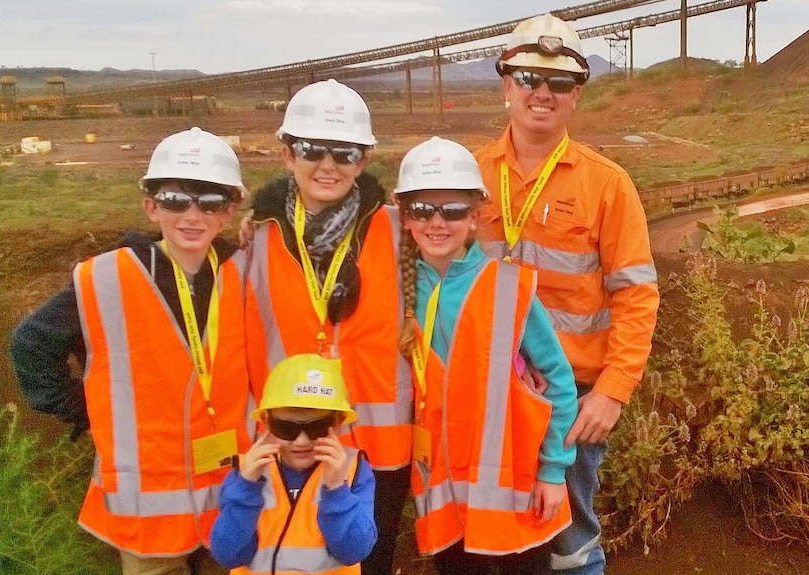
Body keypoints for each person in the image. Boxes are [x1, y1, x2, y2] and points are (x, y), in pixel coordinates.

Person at [10, 126, 254, 575]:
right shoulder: (107, 278)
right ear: (151, 207)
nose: (192, 215)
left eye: (211, 202)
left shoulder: (245, 273)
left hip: (232, 497)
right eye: (176, 200)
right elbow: (31, 345)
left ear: (230, 211)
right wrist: (88, 412)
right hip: (148, 514)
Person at [474, 14, 660, 575]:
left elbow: (636, 294)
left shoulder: (606, 185)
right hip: (485, 391)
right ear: (506, 84)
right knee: (486, 534)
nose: (542, 92)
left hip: (570, 397)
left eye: (558, 82)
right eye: (529, 77)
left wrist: (613, 391)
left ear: (576, 94)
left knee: (568, 538)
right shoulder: (469, 175)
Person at [242, 78, 411, 575]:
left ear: (364, 160)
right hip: (289, 438)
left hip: (378, 446)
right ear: (287, 154)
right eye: (312, 150)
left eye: (345, 152)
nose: (328, 165)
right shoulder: (258, 239)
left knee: (367, 561)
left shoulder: (401, 230)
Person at [395, 136, 578, 575]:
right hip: (445, 498)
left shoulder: (507, 287)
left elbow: (559, 379)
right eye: (423, 209)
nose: (437, 222)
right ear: (405, 218)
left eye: (453, 210)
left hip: (516, 495)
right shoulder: (395, 284)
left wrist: (553, 472)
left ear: (475, 218)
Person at [210, 353, 377, 573]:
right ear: (267, 422)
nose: (301, 441)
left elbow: (354, 551)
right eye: (286, 428)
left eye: (317, 427)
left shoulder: (353, 470)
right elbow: (228, 554)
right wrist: (246, 488)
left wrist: (337, 490)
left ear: (337, 423)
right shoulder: (246, 472)